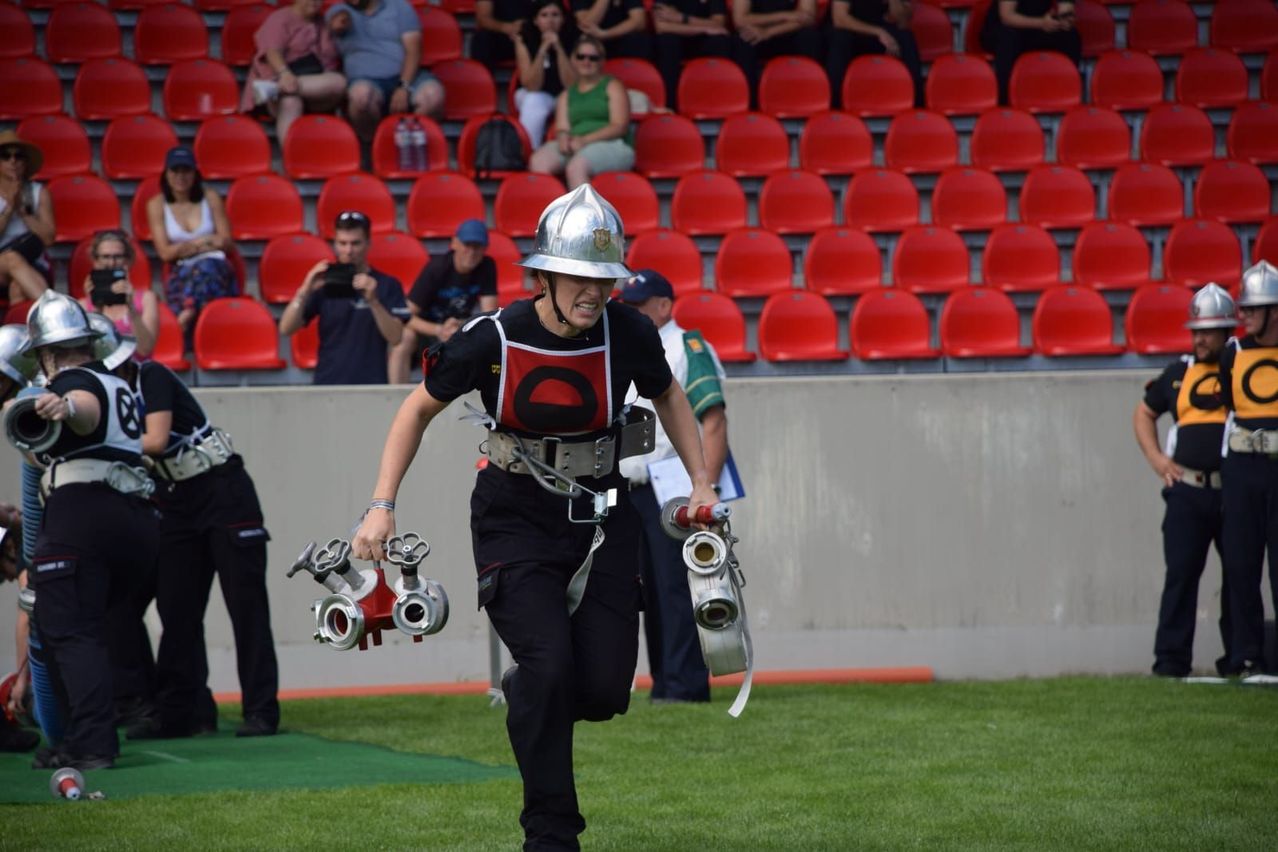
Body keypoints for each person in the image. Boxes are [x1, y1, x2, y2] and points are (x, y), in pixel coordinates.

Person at [351, 185, 717, 850]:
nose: (593, 293)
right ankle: (551, 833)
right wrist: (381, 506)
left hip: (605, 518)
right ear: (544, 276)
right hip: (513, 516)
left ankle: (534, 694)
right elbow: (416, 410)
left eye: (603, 280)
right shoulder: (490, 337)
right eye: (579, 278)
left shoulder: (629, 331)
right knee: (550, 667)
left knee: (603, 690)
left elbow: (671, 399)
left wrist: (699, 482)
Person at [8, 291, 159, 770]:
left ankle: (91, 742)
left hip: (84, 514)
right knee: (95, 631)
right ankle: (97, 728)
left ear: (48, 353)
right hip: (132, 517)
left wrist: (64, 407)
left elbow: (82, 407)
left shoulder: (75, 383)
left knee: (70, 632)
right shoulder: (118, 381)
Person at [125, 337, 280, 739]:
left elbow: (156, 440)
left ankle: (261, 710)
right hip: (175, 499)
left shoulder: (150, 375)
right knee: (176, 609)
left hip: (222, 490)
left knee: (245, 608)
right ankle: (183, 712)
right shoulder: (109, 394)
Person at [619, 269, 728, 704]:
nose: (633, 312)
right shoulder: (632, 346)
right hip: (637, 486)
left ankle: (686, 684)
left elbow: (714, 419)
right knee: (649, 589)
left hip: (675, 486)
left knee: (680, 588)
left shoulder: (689, 346)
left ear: (664, 305)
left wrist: (708, 491)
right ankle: (664, 680)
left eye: (641, 305)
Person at [1132, 283, 1236, 679]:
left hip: (1232, 492)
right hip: (1188, 491)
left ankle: (1241, 658)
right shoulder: (1177, 374)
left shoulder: (1240, 368)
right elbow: (1143, 414)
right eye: (1195, 331)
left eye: (1208, 331)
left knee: (1239, 579)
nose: (1200, 338)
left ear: (1228, 331)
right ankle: (1171, 662)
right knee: (1180, 576)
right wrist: (1159, 461)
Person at [1219, 260, 1278, 677]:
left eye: (1253, 309)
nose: (1245, 316)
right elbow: (1230, 403)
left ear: (1275, 311)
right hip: (1243, 465)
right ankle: (1247, 655)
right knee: (1241, 563)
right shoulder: (1233, 352)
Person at [279, 210, 410, 385]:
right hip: (327, 382)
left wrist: (373, 301)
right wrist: (305, 289)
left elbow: (396, 337)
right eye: (343, 243)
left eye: (355, 243)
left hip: (372, 383)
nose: (348, 250)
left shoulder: (387, 284)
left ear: (368, 243)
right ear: (335, 244)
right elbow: (286, 328)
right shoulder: (323, 283)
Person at [146, 147, 239, 346]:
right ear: (166, 174)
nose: (181, 176)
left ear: (195, 174)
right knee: (201, 274)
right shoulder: (156, 204)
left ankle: (187, 313)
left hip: (216, 268)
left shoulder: (210, 197)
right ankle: (198, 314)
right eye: (175, 171)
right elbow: (165, 253)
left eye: (186, 171)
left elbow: (226, 242)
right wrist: (204, 241)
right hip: (182, 271)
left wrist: (186, 247)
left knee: (208, 267)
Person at [325, 0, 446, 153]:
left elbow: (414, 51)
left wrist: (404, 86)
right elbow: (337, 21)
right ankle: (373, 148)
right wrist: (340, 22)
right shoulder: (340, 9)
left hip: (406, 76)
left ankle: (408, 146)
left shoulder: (400, 7)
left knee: (433, 95)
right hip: (367, 80)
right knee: (360, 96)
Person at [388, 219, 498, 384]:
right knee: (404, 338)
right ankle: (395, 399)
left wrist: (461, 326)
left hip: (457, 328)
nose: (471, 252)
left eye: (477, 247)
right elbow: (406, 315)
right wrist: (438, 330)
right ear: (454, 243)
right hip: (426, 331)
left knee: (490, 335)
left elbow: (489, 314)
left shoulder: (487, 266)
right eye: (467, 245)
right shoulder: (437, 268)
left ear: (485, 249)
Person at [529, 35, 634, 190]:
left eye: (593, 58)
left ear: (602, 62)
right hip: (577, 144)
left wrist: (585, 140)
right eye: (581, 56)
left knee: (576, 167)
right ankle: (558, 212)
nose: (586, 61)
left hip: (613, 145)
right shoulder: (567, 94)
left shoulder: (612, 86)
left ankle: (585, 214)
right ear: (573, 59)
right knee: (538, 162)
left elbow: (619, 126)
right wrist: (564, 139)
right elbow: (562, 128)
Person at [240, 0, 347, 145]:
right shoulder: (280, 18)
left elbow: (331, 59)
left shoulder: (323, 22)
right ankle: (292, 160)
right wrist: (284, 74)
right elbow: (272, 51)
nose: (315, 3)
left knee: (339, 83)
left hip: (314, 89)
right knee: (290, 102)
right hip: (281, 80)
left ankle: (274, 89)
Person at [78, 230, 159, 360]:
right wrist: (96, 310)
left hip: (136, 371)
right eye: (105, 257)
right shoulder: (83, 305)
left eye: (118, 256)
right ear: (95, 261)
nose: (111, 263)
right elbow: (88, 354)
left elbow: (145, 350)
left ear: (127, 260)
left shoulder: (146, 299)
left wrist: (131, 308)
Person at [981, 0, 1081, 105]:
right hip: (1004, 28)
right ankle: (1004, 101)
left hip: (1037, 25)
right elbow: (1006, 17)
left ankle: (1068, 93)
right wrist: (1041, 23)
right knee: (1008, 39)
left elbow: (1065, 8)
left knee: (1070, 36)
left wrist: (1065, 20)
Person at [826, 0, 923, 108]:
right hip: (851, 30)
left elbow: (902, 23)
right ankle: (835, 105)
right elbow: (839, 19)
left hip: (879, 33)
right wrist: (878, 32)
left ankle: (916, 104)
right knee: (840, 40)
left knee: (906, 38)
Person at [0, 130, 52, 320]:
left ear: (25, 162)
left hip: (31, 261)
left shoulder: (38, 192)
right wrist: (9, 209)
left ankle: (17, 343)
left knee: (18, 288)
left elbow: (48, 238)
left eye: (18, 156)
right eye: (5, 156)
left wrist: (22, 211)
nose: (13, 161)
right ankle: (55, 315)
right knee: (12, 258)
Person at [728, 0, 824, 103]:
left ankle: (809, 95)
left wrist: (769, 32)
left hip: (787, 32)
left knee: (810, 37)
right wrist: (785, 15)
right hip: (756, 34)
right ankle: (749, 101)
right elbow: (740, 20)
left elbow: (808, 18)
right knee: (742, 40)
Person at [514, 0, 579, 147]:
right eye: (544, 15)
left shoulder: (574, 38)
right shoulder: (524, 38)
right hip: (533, 92)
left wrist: (558, 48)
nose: (550, 21)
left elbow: (571, 84)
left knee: (574, 99)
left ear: (563, 19)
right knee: (533, 100)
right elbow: (531, 85)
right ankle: (529, 151)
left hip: (564, 93)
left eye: (555, 15)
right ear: (536, 20)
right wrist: (543, 50)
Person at [651, 0, 732, 114]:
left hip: (702, 42)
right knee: (667, 42)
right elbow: (662, 27)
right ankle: (670, 107)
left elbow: (718, 23)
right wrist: (703, 28)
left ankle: (718, 103)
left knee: (720, 41)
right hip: (677, 41)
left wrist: (681, 18)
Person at [571, 0, 652, 61]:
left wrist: (605, 34)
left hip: (621, 38)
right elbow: (586, 26)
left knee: (640, 40)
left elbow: (640, 22)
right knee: (581, 40)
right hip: (593, 40)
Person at [472, 0, 534, 68]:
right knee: (482, 39)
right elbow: (483, 19)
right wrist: (508, 28)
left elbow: (542, 9)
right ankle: (481, 77)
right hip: (499, 39)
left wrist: (525, 27)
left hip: (529, 34)